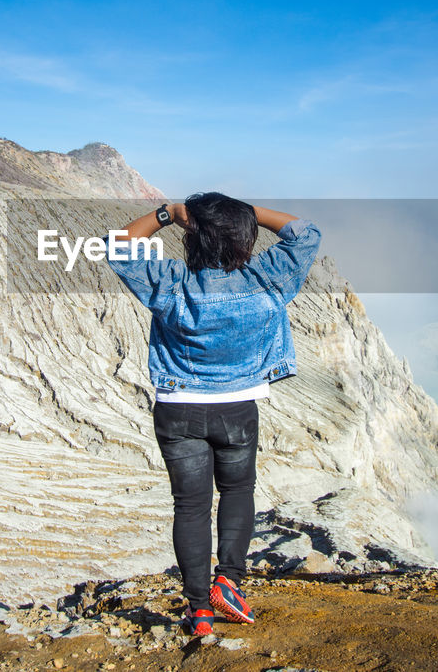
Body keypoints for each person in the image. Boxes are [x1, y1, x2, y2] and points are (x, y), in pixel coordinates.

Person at [102, 194, 321, 637]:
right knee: (238, 492)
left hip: (178, 409)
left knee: (190, 507)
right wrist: (244, 213)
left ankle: (199, 612)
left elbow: (118, 244)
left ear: (192, 237)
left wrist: (169, 214)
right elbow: (306, 233)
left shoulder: (172, 282)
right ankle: (230, 583)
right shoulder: (267, 278)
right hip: (238, 409)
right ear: (245, 238)